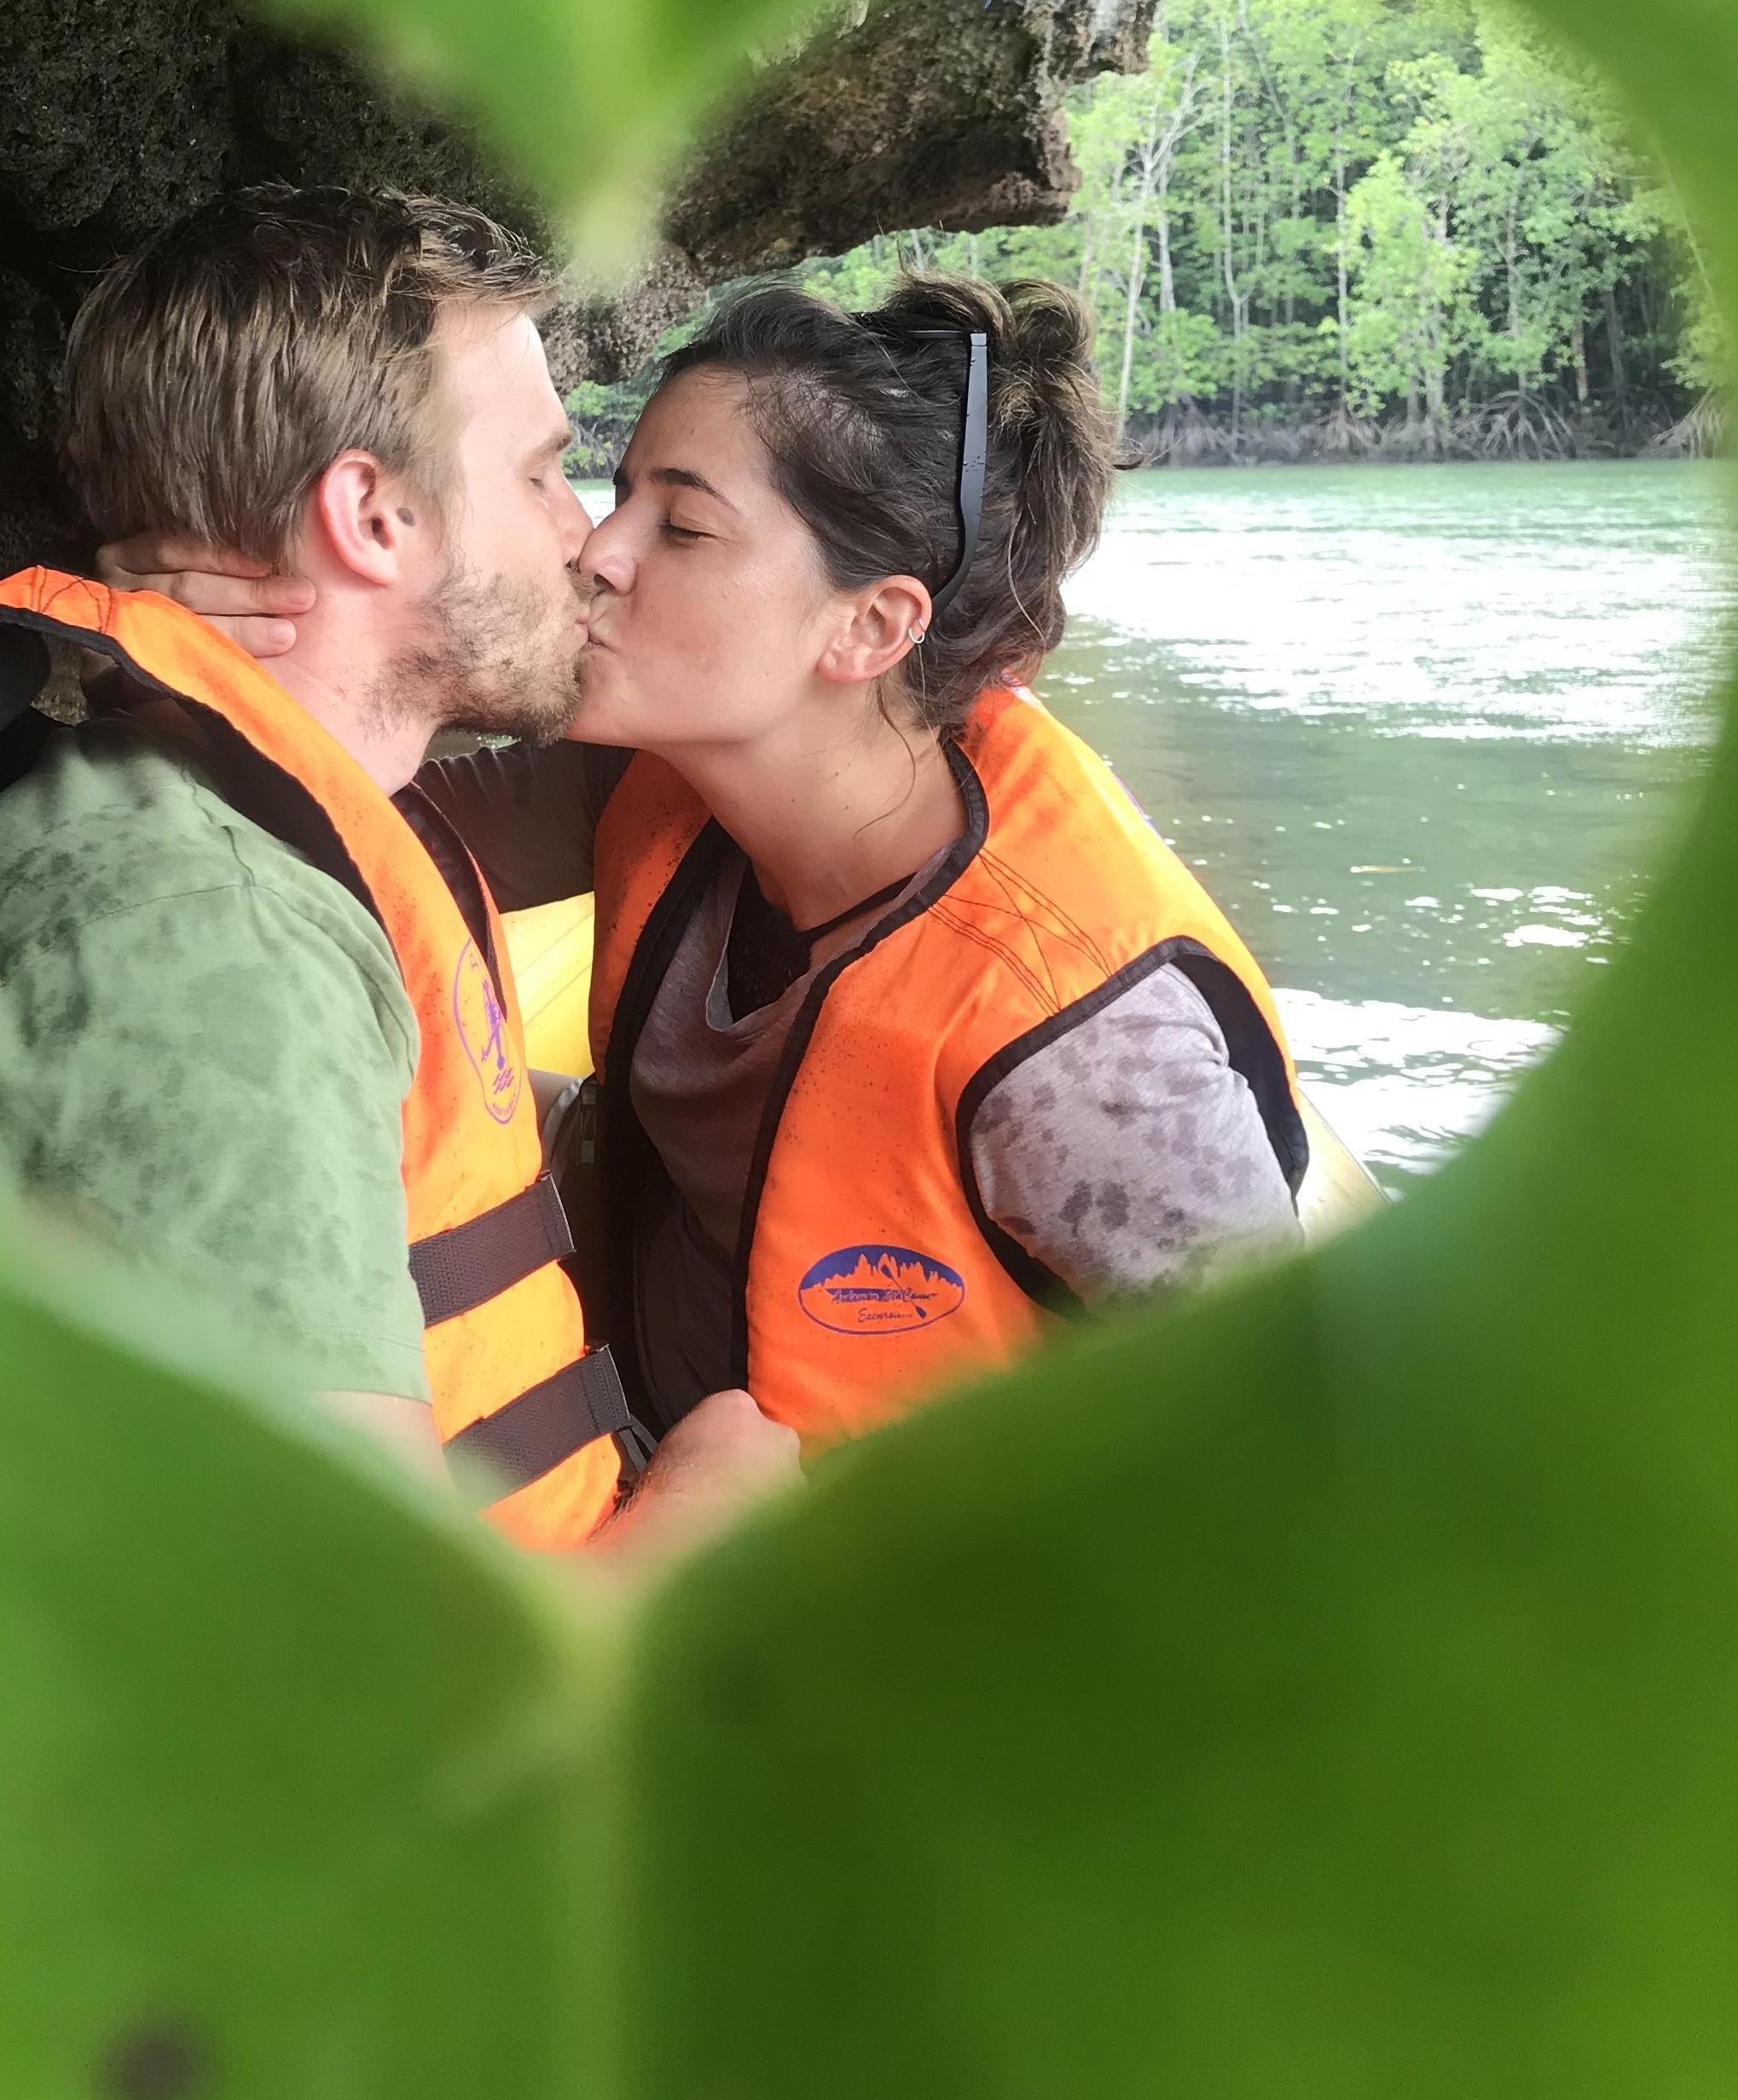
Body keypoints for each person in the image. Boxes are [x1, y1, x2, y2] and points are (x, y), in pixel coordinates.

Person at [0, 184, 797, 1561]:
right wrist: (710, 1501)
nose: (583, 539)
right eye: (545, 474)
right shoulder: (204, 939)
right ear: (371, 517)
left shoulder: (293, 813)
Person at [109, 272, 1311, 1450]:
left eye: (681, 526)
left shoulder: (1083, 1056)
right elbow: (329, 825)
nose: (598, 552)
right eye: (612, 492)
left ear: (871, 626)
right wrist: (216, 651)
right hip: (648, 1388)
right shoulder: (654, 776)